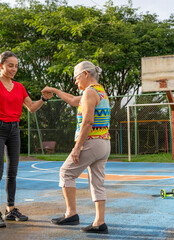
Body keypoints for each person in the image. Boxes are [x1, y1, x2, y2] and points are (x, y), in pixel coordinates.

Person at [0, 51, 52, 228]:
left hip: (14, 129)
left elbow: (31, 108)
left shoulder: (19, 87)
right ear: (1, 65)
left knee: (13, 172)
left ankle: (10, 210)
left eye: (16, 66)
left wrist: (43, 99)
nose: (13, 69)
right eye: (10, 65)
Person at [42, 61, 111, 234]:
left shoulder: (89, 92)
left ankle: (71, 213)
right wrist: (55, 90)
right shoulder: (100, 92)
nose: (75, 81)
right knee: (97, 182)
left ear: (86, 74)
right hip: (104, 143)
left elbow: (88, 122)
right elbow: (73, 100)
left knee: (66, 173)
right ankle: (99, 222)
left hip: (92, 142)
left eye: (76, 77)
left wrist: (77, 147)